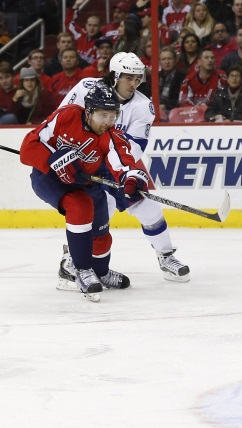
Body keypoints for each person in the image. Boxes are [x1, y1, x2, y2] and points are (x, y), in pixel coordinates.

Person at [57, 52, 191, 287]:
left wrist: (123, 172)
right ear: (115, 75)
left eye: (138, 78)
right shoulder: (85, 88)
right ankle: (70, 261)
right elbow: (60, 120)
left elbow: (135, 147)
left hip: (119, 162)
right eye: (129, 77)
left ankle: (166, 256)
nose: (134, 83)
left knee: (148, 206)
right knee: (94, 211)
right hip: (84, 159)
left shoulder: (142, 106)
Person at [19, 82, 138, 301]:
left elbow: (122, 159)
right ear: (89, 111)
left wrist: (130, 178)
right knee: (80, 206)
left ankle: (100, 272)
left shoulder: (111, 134)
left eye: (113, 116)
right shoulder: (68, 115)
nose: (108, 122)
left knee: (101, 225)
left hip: (85, 182)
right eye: (103, 115)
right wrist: (53, 160)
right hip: (49, 178)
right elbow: (27, 148)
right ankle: (81, 270)